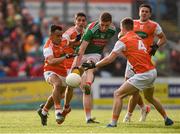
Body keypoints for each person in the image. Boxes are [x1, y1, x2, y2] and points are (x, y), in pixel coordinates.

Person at [82, 17, 174, 127]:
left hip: (143, 74)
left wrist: (94, 64)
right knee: (149, 97)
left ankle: (113, 123)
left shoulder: (123, 40)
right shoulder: (138, 38)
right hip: (152, 71)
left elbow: (109, 59)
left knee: (117, 94)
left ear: (122, 28)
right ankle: (167, 119)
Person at [118, 4, 167, 122]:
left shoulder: (154, 25)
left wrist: (156, 46)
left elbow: (163, 39)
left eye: (146, 12)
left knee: (134, 90)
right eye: (142, 11)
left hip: (144, 60)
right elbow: (121, 34)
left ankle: (128, 115)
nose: (144, 13)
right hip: (131, 60)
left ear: (150, 14)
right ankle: (143, 108)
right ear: (139, 12)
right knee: (131, 88)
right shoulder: (132, 23)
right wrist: (121, 36)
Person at [37, 12, 87, 126]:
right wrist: (66, 56)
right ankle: (58, 111)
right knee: (57, 84)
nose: (60, 38)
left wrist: (76, 41)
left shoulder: (63, 41)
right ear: (51, 36)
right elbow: (51, 61)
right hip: (50, 70)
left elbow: (70, 43)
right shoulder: (47, 47)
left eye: (61, 35)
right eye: (57, 36)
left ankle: (43, 111)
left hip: (63, 71)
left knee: (59, 95)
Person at [72, 12, 116, 123]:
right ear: (99, 21)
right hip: (81, 54)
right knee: (69, 85)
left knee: (90, 66)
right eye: (102, 25)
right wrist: (76, 67)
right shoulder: (91, 29)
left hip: (94, 54)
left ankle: (88, 118)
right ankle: (62, 109)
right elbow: (81, 50)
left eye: (107, 25)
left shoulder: (113, 30)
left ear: (110, 23)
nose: (104, 28)